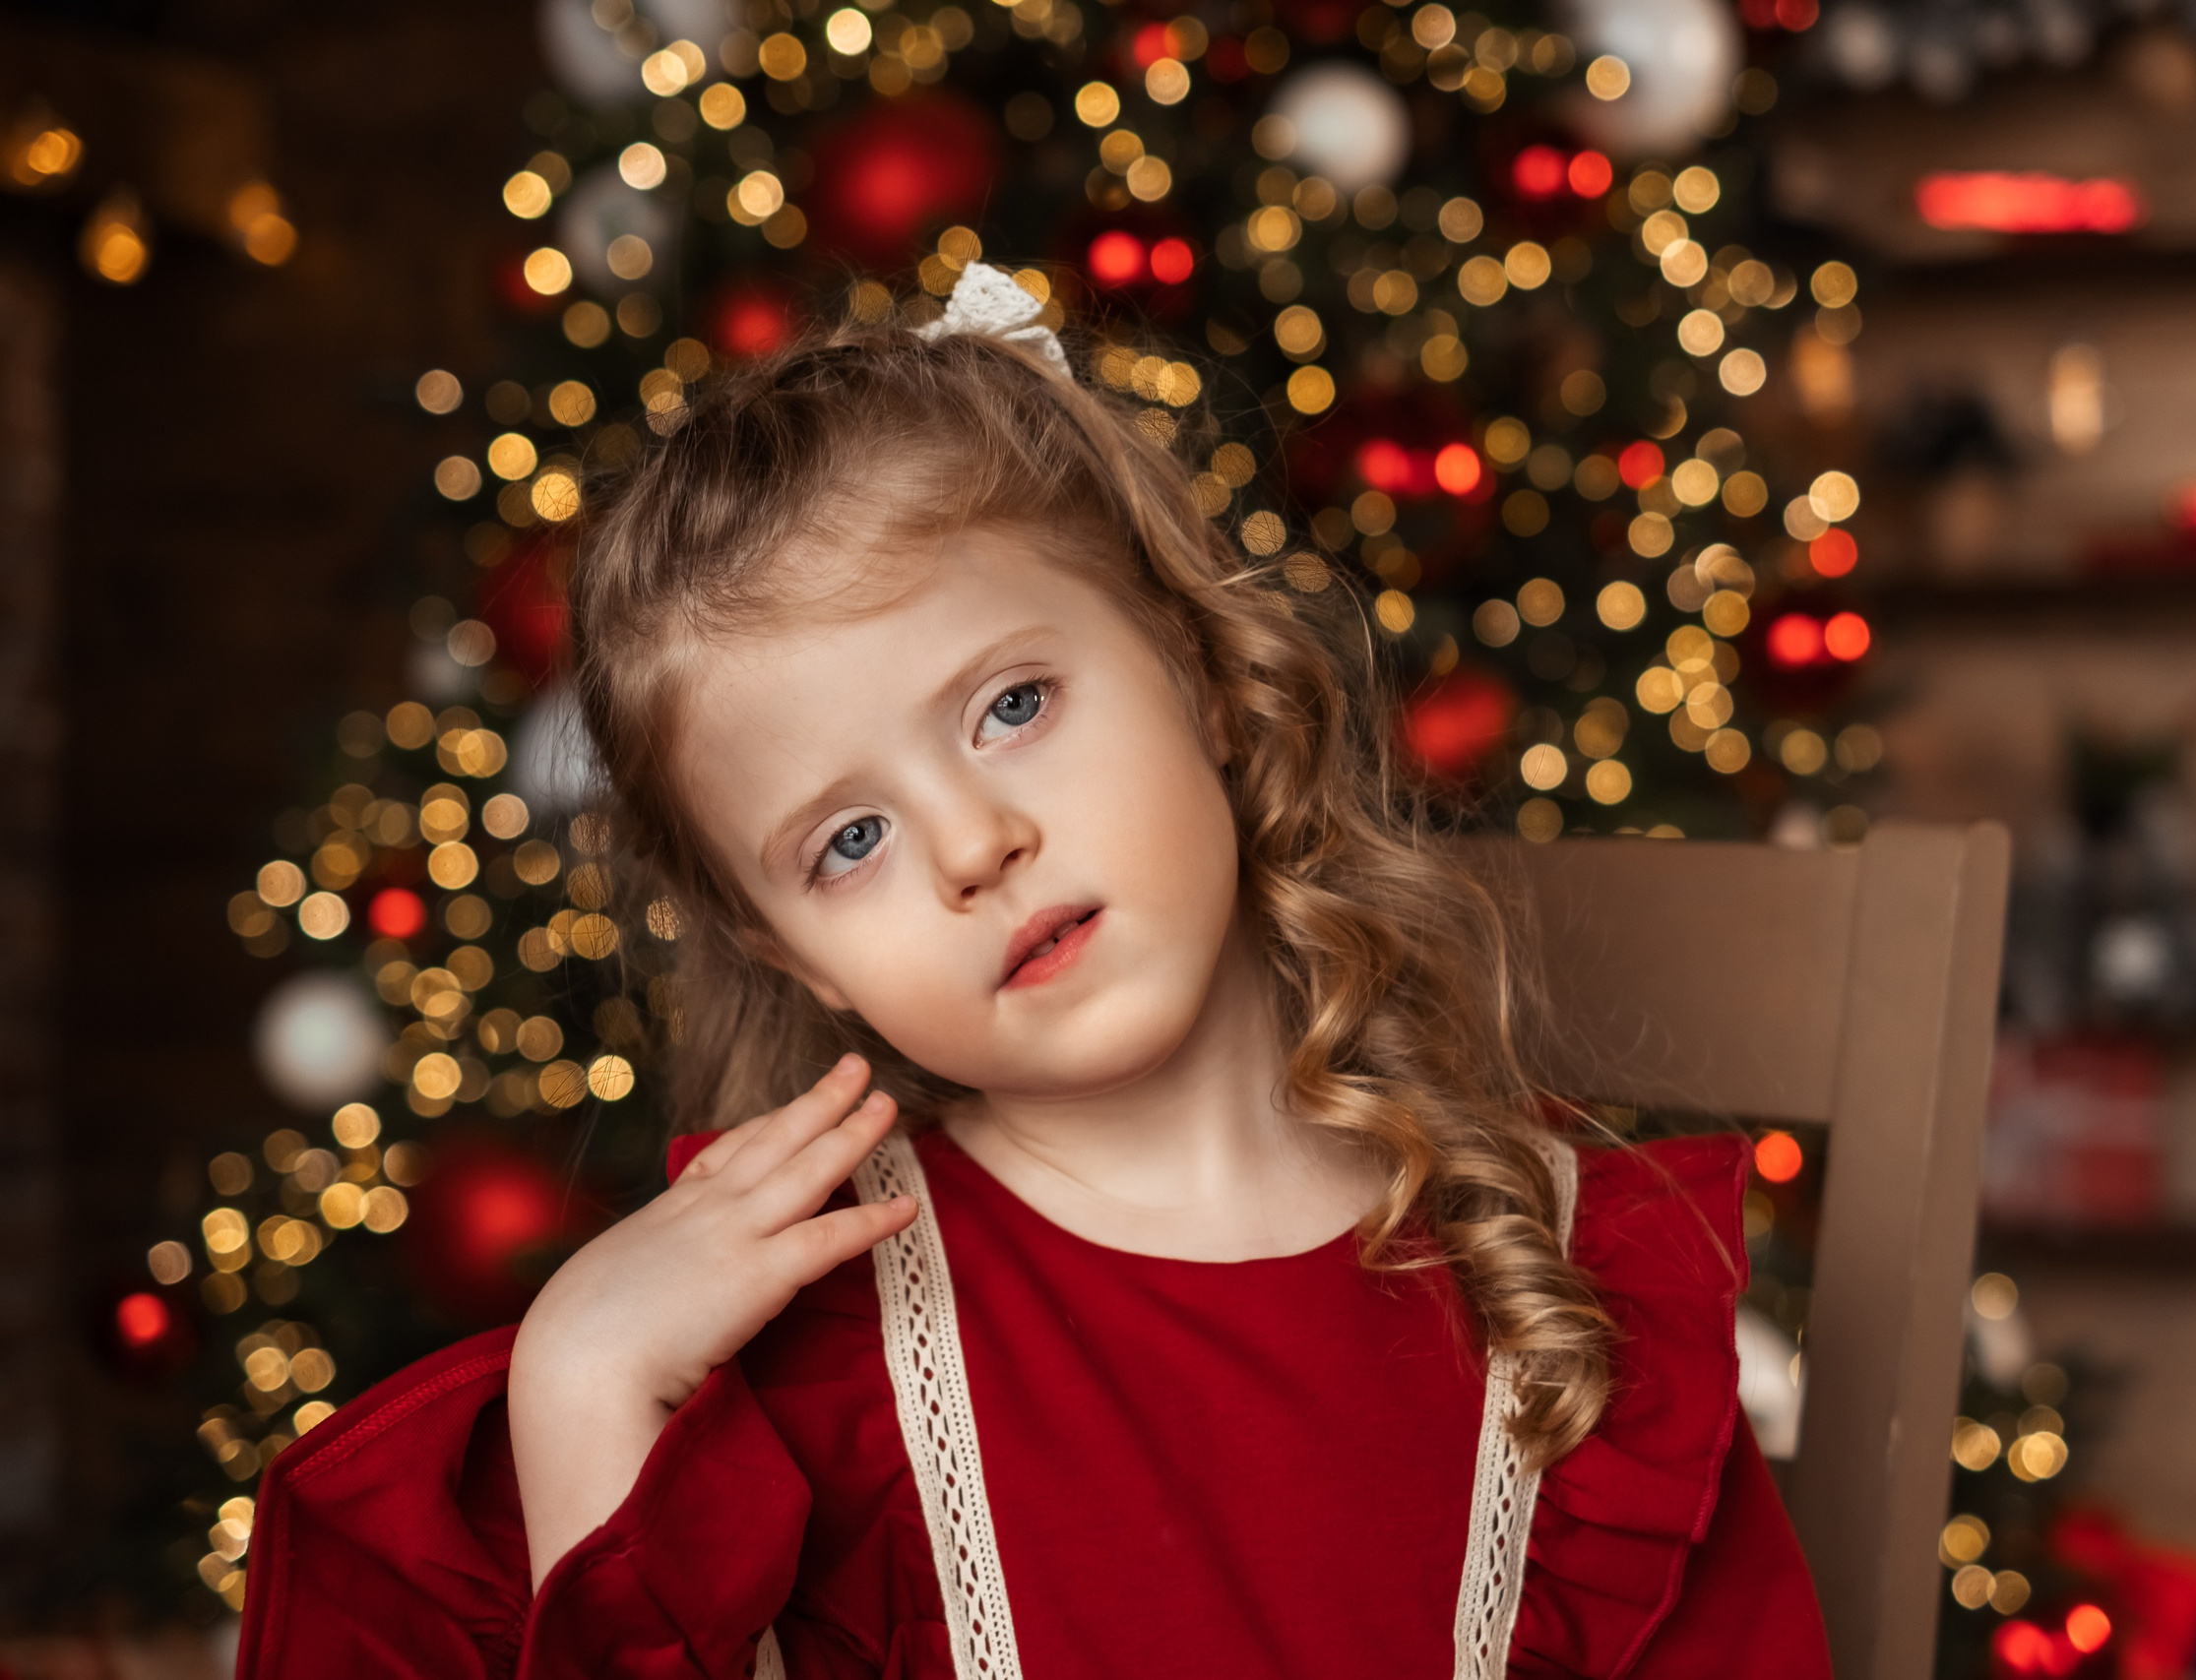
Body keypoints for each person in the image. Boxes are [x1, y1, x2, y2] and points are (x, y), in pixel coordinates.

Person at [237, 264, 1829, 1679]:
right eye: (847, 841)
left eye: (1010, 706)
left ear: (1202, 671)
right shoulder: (809, 1357)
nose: (974, 846)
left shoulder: (1561, 1285)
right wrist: (582, 1400)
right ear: (799, 958)